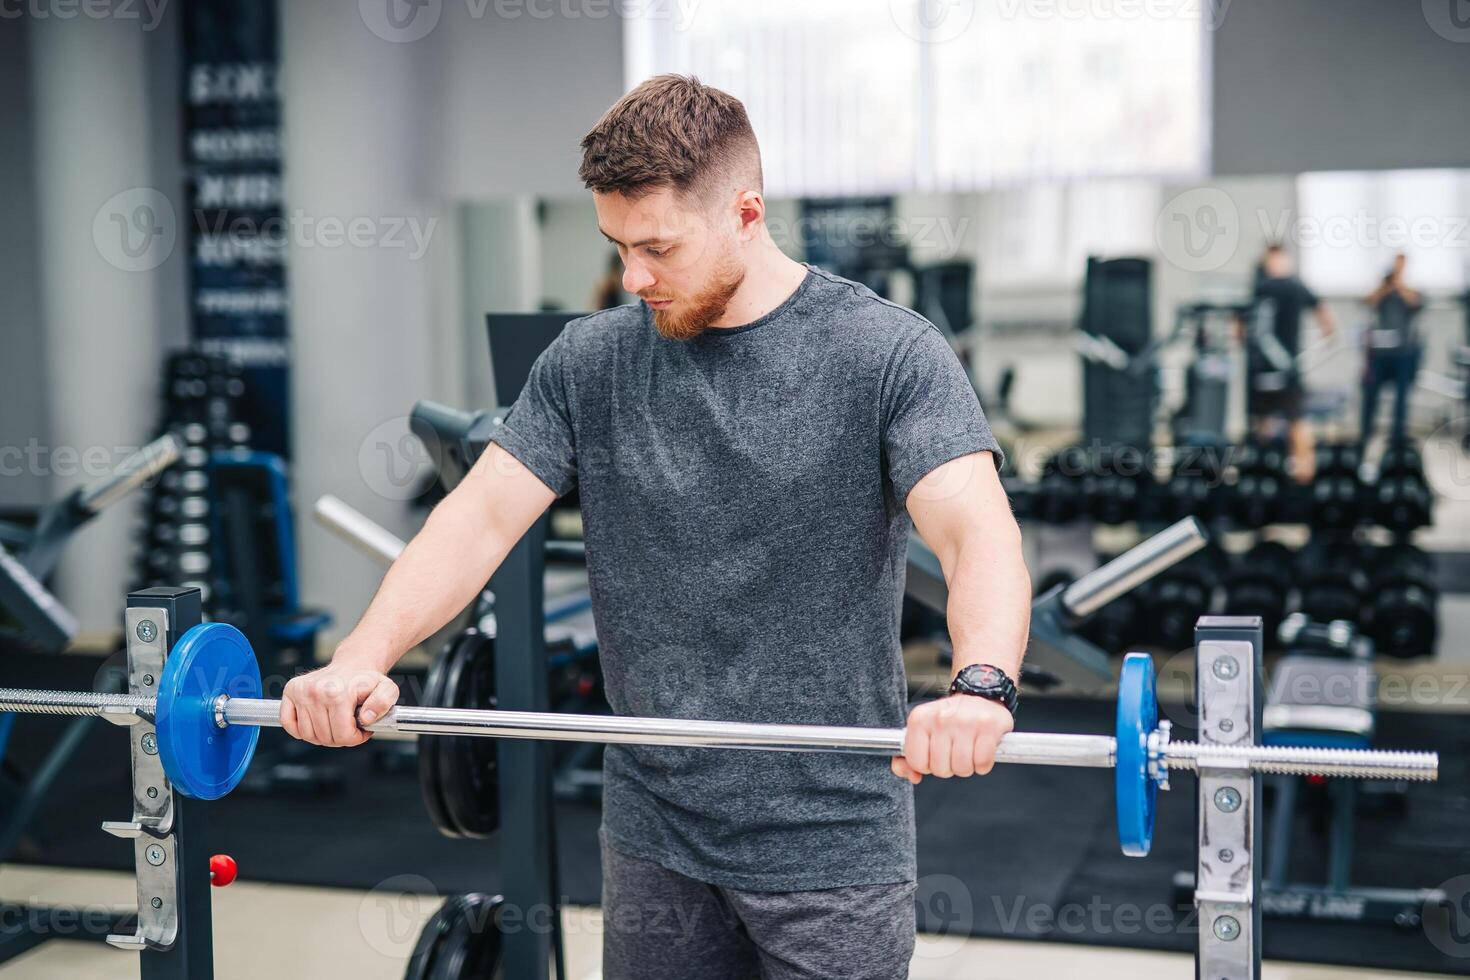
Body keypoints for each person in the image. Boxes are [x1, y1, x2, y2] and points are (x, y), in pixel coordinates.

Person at [281, 75, 1029, 979]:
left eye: (658, 248)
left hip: (833, 841)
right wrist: (362, 655)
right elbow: (476, 519)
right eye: (617, 246)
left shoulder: (886, 355)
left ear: (746, 212)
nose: (632, 277)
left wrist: (980, 684)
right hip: (654, 837)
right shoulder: (590, 362)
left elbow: (974, 533)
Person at [1247, 244, 1336, 482]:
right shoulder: (1269, 287)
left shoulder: (1282, 287)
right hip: (1267, 370)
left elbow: (1240, 325)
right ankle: (1273, 474)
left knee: (1293, 422)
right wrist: (1328, 331)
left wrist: (1328, 329)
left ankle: (1300, 475)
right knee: (1267, 422)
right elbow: (1324, 315)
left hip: (1283, 370)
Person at [1360, 253, 1424, 452]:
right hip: (1380, 354)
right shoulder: (1383, 290)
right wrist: (1386, 286)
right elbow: (1368, 301)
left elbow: (1416, 303)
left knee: (1401, 398)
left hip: (1403, 353)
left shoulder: (1410, 291)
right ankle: (1366, 435)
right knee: (1370, 394)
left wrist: (1399, 285)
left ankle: (1397, 440)